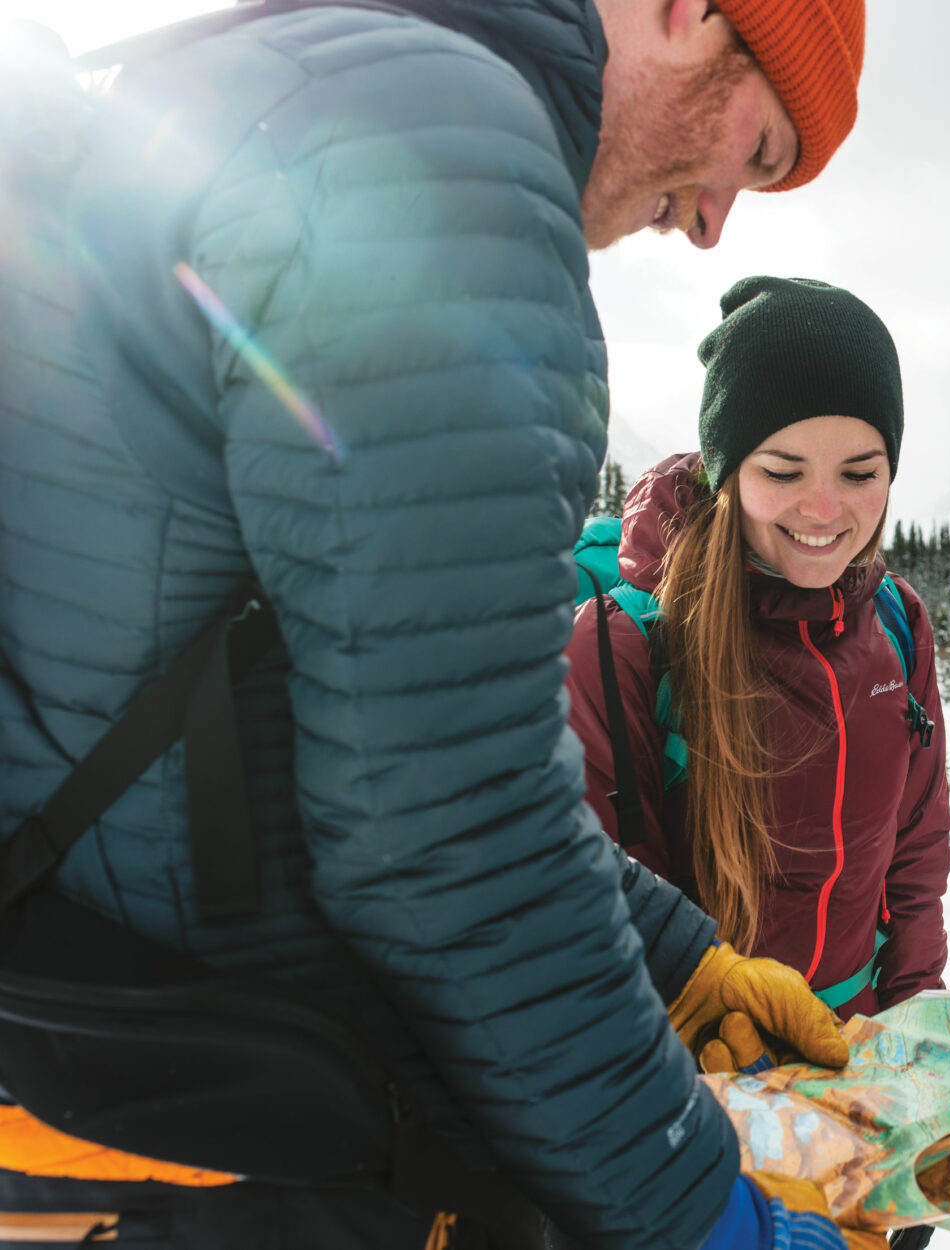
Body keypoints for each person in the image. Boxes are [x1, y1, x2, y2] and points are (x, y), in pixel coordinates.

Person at [0, 0, 885, 1247]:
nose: (712, 221)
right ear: (691, 10)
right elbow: (445, 827)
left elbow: (368, 700)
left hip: (104, 1059)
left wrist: (678, 959)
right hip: (226, 1129)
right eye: (758, 150)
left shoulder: (311, 72)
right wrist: (701, 1215)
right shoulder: (450, 150)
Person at [566, 276, 950, 1026]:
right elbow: (592, 912)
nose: (824, 509)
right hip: (697, 1070)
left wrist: (912, 1025)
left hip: (859, 1048)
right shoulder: (621, 649)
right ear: (726, 469)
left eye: (860, 472)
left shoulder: (895, 623)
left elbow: (914, 848)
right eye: (782, 471)